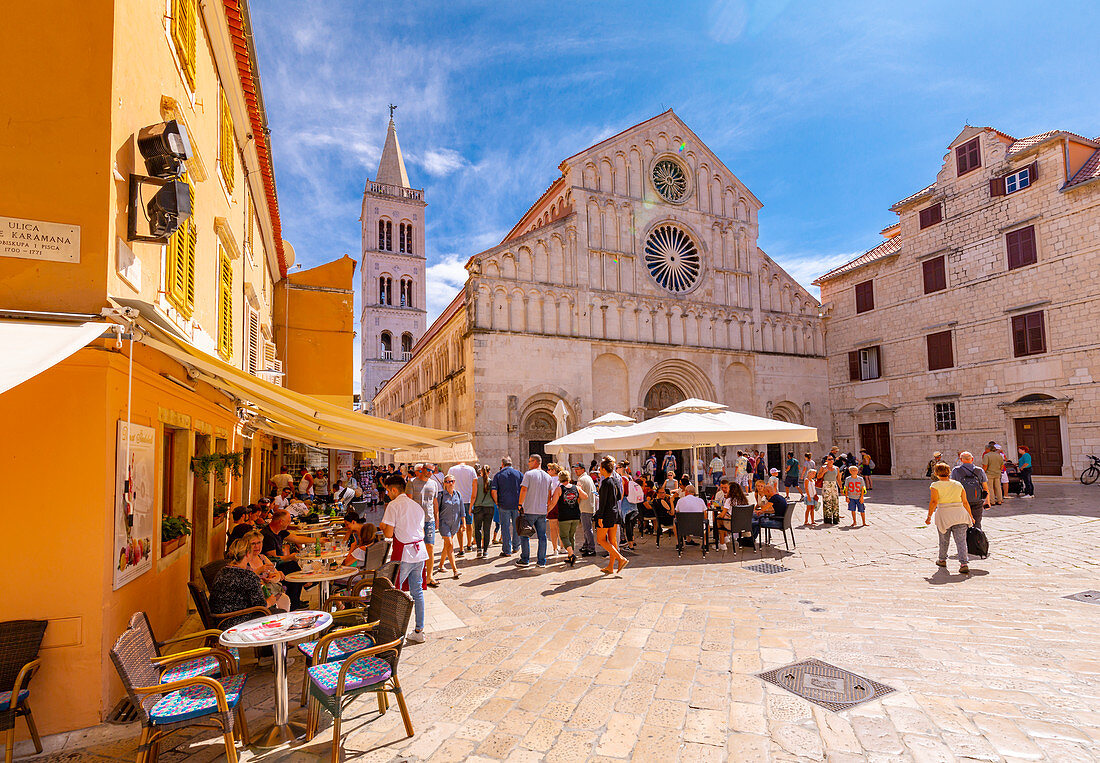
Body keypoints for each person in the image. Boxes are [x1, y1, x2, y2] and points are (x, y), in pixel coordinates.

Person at [380, 473, 427, 643]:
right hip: (419, 552)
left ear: (393, 490)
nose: (387, 494)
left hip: (404, 553)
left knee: (396, 592)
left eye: (388, 491)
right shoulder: (416, 506)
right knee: (417, 592)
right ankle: (419, 630)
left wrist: (383, 525)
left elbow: (388, 534)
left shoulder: (393, 505)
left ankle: (394, 632)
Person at [210, 539, 278, 627]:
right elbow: (260, 607)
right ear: (247, 554)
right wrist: (270, 601)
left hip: (219, 620)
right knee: (280, 613)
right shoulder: (248, 576)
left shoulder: (222, 571)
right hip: (237, 622)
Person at [925, 462, 974, 574]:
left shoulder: (935, 485)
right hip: (960, 513)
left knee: (943, 539)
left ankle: (942, 559)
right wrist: (970, 516)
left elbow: (934, 501)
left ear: (936, 473)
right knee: (961, 541)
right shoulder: (958, 484)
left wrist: (929, 516)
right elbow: (965, 502)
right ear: (949, 472)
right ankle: (964, 563)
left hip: (944, 514)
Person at [261, 509, 312, 609]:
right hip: (273, 568)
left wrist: (318, 540)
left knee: (294, 567)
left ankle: (297, 599)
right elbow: (273, 559)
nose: (289, 523)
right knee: (293, 569)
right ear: (281, 522)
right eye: (288, 521)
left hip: (282, 564)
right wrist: (290, 557)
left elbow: (296, 539)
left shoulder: (280, 532)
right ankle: (305, 587)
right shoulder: (267, 535)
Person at [405, 463, 439, 587]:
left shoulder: (434, 484)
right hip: (415, 520)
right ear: (423, 469)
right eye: (428, 470)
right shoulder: (412, 483)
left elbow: (434, 502)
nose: (430, 473)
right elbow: (408, 502)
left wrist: (437, 518)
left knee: (430, 546)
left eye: (433, 471)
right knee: (416, 548)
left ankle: (429, 577)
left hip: (429, 519)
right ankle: (415, 576)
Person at [517, 454, 554, 568]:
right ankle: (541, 561)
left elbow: (523, 489)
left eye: (530, 461)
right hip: (542, 511)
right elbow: (549, 494)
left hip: (529, 510)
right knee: (542, 536)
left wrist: (519, 504)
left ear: (536, 462)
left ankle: (525, 559)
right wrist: (547, 506)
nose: (528, 463)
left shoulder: (528, 474)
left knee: (524, 535)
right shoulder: (548, 477)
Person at [242, 530, 290, 611]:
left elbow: (278, 575)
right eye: (253, 543)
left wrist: (271, 579)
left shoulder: (262, 558)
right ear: (247, 545)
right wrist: (259, 571)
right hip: (256, 596)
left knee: (285, 599)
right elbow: (243, 581)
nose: (257, 546)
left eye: (259, 543)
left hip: (269, 592)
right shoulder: (244, 560)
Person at [595, 458, 628, 574]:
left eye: (600, 468)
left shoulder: (605, 482)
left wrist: (599, 517)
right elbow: (619, 496)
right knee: (612, 540)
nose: (599, 470)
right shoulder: (615, 480)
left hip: (606, 514)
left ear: (604, 469)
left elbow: (602, 502)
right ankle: (610, 566)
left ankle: (620, 558)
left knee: (601, 540)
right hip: (615, 512)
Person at [549, 470, 586, 565]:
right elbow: (585, 496)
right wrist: (579, 490)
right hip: (575, 515)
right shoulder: (576, 488)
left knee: (564, 536)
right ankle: (570, 556)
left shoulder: (559, 489)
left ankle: (572, 554)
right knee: (571, 536)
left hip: (564, 516)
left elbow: (553, 503)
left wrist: (546, 512)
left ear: (560, 479)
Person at [491, 457, 524, 557]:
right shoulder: (519, 474)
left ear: (502, 464)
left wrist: (497, 502)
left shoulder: (498, 475)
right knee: (516, 526)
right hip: (516, 505)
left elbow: (494, 491)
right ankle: (516, 546)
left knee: (505, 527)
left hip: (503, 504)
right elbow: (524, 489)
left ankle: (507, 550)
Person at [951, 452, 990, 530]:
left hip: (961, 501)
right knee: (977, 523)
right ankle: (976, 540)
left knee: (962, 523)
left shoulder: (956, 470)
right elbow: (985, 487)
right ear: (972, 459)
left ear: (961, 460)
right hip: (977, 500)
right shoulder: (979, 470)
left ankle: (965, 540)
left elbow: (952, 487)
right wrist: (987, 501)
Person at [434, 475, 463, 580]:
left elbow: (462, 509)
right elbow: (437, 510)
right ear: (444, 483)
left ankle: (441, 565)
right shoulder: (441, 495)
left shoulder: (458, 494)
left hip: (455, 524)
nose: (450, 483)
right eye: (447, 481)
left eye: (451, 481)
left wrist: (463, 523)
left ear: (454, 482)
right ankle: (455, 570)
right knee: (450, 544)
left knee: (447, 545)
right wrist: (436, 521)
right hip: (444, 523)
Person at [446, 461, 478, 555]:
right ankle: (469, 545)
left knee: (459, 525)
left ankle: (461, 548)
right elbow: (475, 484)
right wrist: (473, 498)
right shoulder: (471, 469)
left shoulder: (452, 469)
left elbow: (447, 484)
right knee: (469, 523)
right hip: (468, 499)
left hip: (455, 500)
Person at [471, 464, 495, 559]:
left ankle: (479, 550)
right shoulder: (491, 482)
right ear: (489, 472)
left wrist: (470, 508)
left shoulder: (476, 481)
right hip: (489, 507)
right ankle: (485, 551)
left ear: (480, 472)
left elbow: (473, 496)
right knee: (487, 529)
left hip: (478, 507)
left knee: (477, 528)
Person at [573, 463, 598, 556]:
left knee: (587, 529)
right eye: (575, 469)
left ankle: (591, 548)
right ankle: (586, 545)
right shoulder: (588, 478)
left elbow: (579, 494)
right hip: (590, 506)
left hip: (585, 507)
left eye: (578, 469)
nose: (575, 471)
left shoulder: (581, 480)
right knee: (587, 528)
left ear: (583, 470)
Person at [545, 463, 564, 557]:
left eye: (548, 470)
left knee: (553, 529)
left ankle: (555, 549)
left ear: (553, 470)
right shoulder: (562, 480)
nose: (547, 471)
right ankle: (562, 547)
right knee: (561, 528)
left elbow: (548, 495)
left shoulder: (549, 480)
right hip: (561, 505)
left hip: (552, 505)